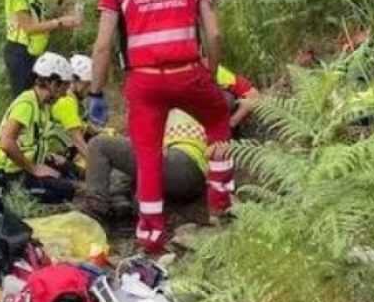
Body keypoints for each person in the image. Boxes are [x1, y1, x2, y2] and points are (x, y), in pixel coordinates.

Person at [88, 0, 235, 254]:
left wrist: (95, 93)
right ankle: (222, 211)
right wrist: (210, 76)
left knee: (148, 154)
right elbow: (213, 35)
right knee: (217, 122)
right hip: (189, 72)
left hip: (144, 81)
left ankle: (151, 238)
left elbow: (103, 45)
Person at [80, 66, 259, 220]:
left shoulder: (203, 98)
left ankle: (96, 213)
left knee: (99, 145)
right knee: (127, 150)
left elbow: (252, 97)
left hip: (183, 162)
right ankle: (120, 204)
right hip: (182, 168)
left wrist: (232, 121)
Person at [0, 52, 80, 204]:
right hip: (8, 173)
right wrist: (34, 169)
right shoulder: (27, 104)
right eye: (64, 87)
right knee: (65, 191)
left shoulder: (42, 106)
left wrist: (48, 157)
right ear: (53, 83)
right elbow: (6, 142)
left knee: (68, 169)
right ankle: (11, 194)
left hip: (21, 167)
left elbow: (30, 140)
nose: (64, 95)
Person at [3, 0, 81, 97]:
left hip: (32, 52)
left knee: (38, 99)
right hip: (20, 54)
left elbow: (40, 16)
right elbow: (29, 28)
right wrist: (59, 23)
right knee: (24, 103)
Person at [47, 54, 94, 162]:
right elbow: (78, 141)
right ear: (75, 80)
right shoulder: (66, 101)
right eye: (87, 84)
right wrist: (97, 164)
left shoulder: (70, 98)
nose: (89, 89)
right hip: (55, 156)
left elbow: (82, 126)